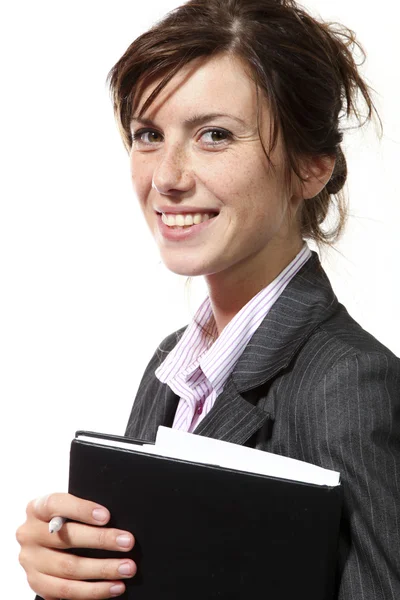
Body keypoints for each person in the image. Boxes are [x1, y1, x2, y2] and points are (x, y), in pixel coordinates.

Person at [16, 0, 400, 598]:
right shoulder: (172, 368)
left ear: (311, 167)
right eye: (148, 135)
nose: (166, 176)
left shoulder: (351, 384)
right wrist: (69, 576)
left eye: (213, 135)